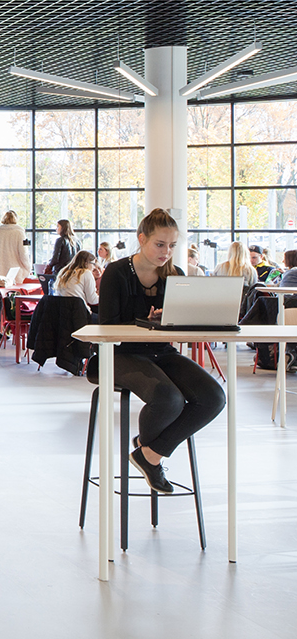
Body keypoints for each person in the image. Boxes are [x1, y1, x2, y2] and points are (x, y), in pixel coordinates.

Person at [92, 208, 225, 494]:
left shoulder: (175, 275)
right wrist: (146, 322)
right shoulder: (117, 272)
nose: (167, 252)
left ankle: (150, 453)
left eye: (172, 246)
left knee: (213, 397)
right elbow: (108, 326)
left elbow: (179, 327)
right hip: (120, 353)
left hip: (161, 351)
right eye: (160, 244)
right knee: (168, 399)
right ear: (142, 239)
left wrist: (175, 320)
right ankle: (150, 454)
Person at [0, 210, 31, 281]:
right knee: (15, 287)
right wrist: (28, 268)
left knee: (0, 285)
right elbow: (24, 253)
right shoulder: (20, 232)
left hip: (0, 268)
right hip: (16, 270)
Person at [45, 219, 79, 291]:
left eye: (58, 226)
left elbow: (55, 259)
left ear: (63, 228)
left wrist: (49, 266)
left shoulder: (60, 240)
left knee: (55, 291)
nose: (56, 228)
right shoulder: (77, 241)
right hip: (73, 272)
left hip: (60, 272)